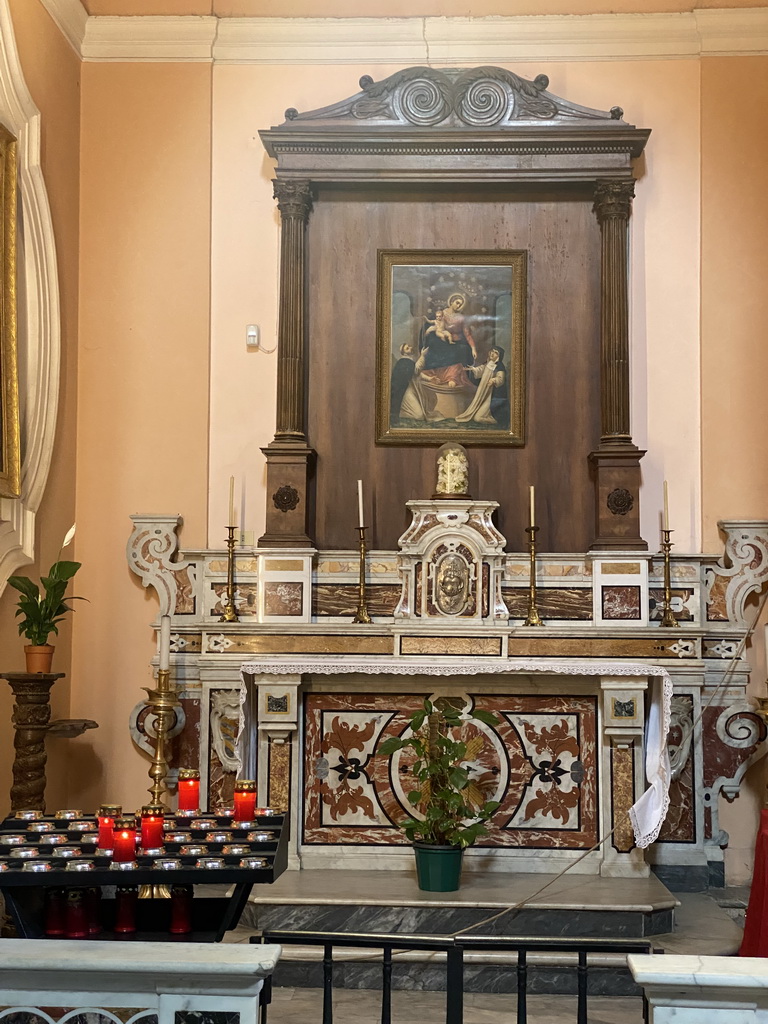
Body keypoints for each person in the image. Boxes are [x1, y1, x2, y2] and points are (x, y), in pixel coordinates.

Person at [455, 347, 507, 425]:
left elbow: (501, 379)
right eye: (492, 351)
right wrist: (472, 369)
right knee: (476, 415)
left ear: (499, 356)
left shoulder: (499, 367)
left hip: (489, 395)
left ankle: (494, 421)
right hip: (482, 391)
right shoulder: (488, 363)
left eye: (496, 353)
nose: (492, 354)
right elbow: (481, 370)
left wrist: (493, 380)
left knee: (478, 418)